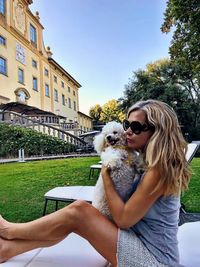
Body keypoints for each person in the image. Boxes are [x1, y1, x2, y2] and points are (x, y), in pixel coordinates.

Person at [0, 99, 191, 266]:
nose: (128, 131)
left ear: (158, 132)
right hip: (137, 240)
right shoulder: (146, 162)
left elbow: (123, 220)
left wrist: (106, 174)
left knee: (79, 212)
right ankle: (8, 249)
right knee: (71, 220)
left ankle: (9, 231)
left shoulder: (159, 169)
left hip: (154, 260)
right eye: (127, 124)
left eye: (137, 127)